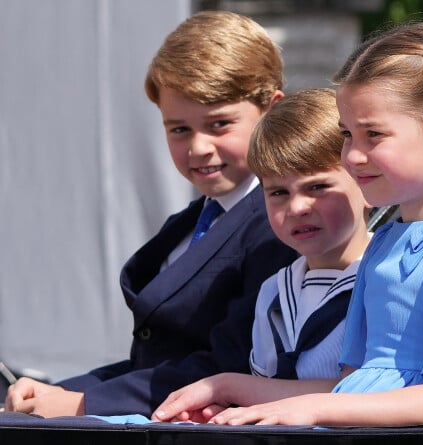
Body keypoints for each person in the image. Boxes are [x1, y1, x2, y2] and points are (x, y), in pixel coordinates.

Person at [153, 21, 423, 427]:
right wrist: (229, 389)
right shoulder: (388, 240)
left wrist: (312, 410)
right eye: (347, 135)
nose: (353, 156)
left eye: (373, 134)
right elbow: (351, 387)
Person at [3, 10, 297, 418]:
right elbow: (153, 362)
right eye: (179, 129)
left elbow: (235, 361)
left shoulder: (283, 224)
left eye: (219, 124)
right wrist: (56, 391)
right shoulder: (190, 222)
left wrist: (85, 402)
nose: (198, 148)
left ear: (271, 111)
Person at [151, 88, 371, 423]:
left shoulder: (390, 278)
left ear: (367, 184)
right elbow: (270, 392)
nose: (297, 207)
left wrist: (230, 387)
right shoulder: (274, 293)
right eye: (278, 192)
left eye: (317, 187)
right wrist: (229, 409)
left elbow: (376, 394)